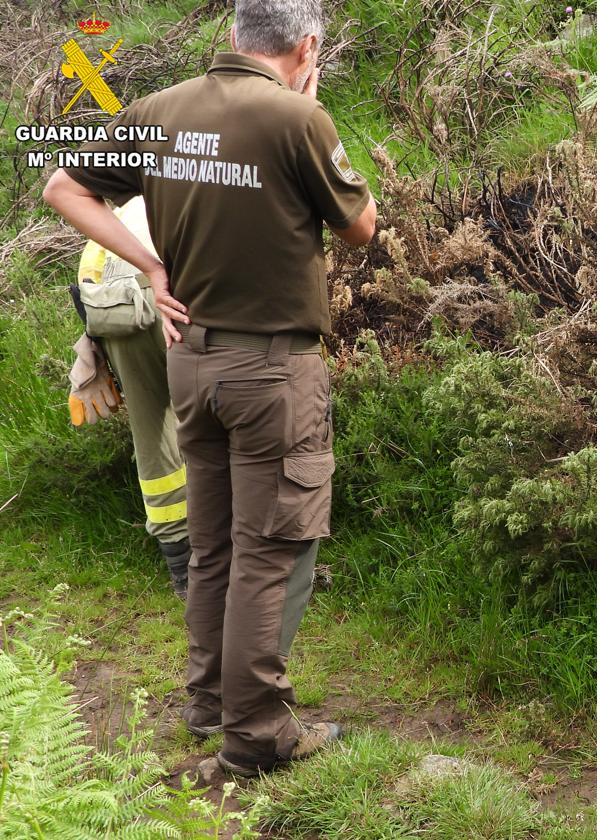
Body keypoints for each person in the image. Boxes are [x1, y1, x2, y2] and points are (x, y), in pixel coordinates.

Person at [44, 0, 377, 775]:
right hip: (272, 370)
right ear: (306, 46)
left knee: (215, 540)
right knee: (268, 548)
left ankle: (208, 703)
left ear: (231, 38)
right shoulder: (297, 120)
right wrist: (313, 106)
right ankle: (257, 733)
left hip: (191, 358)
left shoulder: (160, 111)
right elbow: (362, 228)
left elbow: (63, 187)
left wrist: (151, 264)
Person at [69, 197, 191, 599]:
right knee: (230, 418)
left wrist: (93, 345)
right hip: (172, 288)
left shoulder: (118, 215)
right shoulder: (180, 185)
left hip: (113, 308)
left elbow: (88, 297)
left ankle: (183, 571)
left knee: (154, 434)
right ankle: (264, 556)